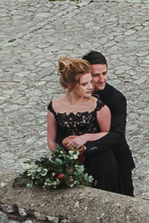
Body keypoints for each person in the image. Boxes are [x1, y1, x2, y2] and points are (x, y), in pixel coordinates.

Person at [45, 57, 127, 196]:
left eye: (90, 82)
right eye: (84, 84)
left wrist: (86, 138)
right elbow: (51, 139)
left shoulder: (98, 106)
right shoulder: (54, 106)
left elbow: (108, 133)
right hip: (70, 162)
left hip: (101, 162)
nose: (90, 87)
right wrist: (60, 162)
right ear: (70, 85)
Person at [82, 49, 136, 197]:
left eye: (104, 73)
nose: (102, 79)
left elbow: (117, 135)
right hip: (88, 164)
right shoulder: (77, 96)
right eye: (96, 75)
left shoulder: (116, 98)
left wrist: (87, 147)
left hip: (117, 162)